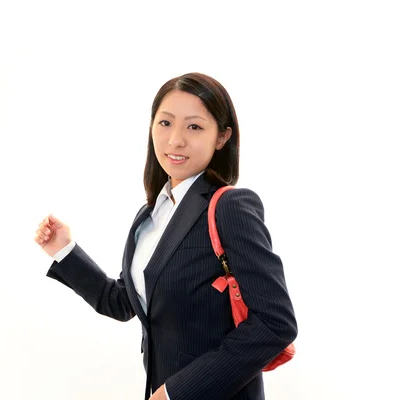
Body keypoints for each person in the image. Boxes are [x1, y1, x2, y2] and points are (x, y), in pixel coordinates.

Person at [34, 72, 297, 400]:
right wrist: (64, 250)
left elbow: (275, 324)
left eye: (194, 126)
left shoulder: (230, 206)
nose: (175, 140)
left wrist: (176, 392)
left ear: (222, 137)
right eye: (165, 123)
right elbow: (123, 303)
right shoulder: (149, 217)